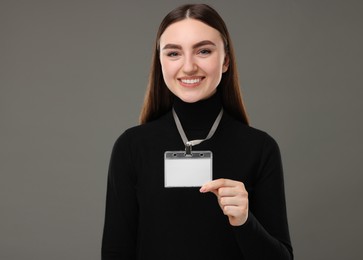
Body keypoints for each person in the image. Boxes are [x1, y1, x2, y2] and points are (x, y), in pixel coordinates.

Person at [102, 3, 293, 260]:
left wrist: (245, 222)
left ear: (225, 61)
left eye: (203, 51)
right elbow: (115, 253)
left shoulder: (260, 148)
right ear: (160, 62)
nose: (189, 66)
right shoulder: (131, 147)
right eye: (173, 53)